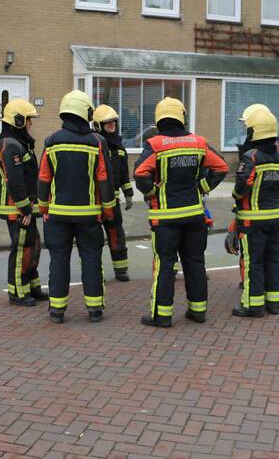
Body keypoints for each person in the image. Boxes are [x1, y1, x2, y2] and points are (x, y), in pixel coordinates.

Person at [133, 98, 229, 328]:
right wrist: (202, 187)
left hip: (166, 219)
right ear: (182, 116)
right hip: (195, 216)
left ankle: (161, 316)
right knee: (195, 262)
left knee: (165, 265)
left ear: (159, 119)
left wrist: (152, 192)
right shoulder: (198, 142)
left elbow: (139, 173)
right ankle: (198, 311)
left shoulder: (155, 144)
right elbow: (221, 167)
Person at [38, 90, 116, 324]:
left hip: (58, 216)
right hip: (89, 216)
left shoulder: (51, 141)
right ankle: (94, 310)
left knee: (58, 260)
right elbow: (104, 179)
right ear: (86, 113)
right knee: (91, 259)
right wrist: (108, 211)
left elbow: (43, 178)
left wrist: (43, 208)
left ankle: (57, 311)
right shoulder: (96, 143)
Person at [232, 108, 279, 317]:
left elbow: (241, 188)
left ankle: (253, 305)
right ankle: (274, 302)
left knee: (253, 262)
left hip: (252, 221)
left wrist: (239, 197)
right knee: (273, 259)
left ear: (253, 132)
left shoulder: (251, 157)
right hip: (274, 218)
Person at [0, 99, 46, 307]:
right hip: (17, 210)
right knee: (21, 249)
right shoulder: (11, 146)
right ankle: (17, 292)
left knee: (33, 246)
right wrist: (25, 209)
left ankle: (32, 287)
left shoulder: (17, 143)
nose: (30, 125)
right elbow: (15, 181)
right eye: (28, 121)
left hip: (25, 208)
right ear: (17, 121)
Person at [93, 104, 134, 282]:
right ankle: (96, 272)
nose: (112, 125)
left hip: (114, 201)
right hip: (94, 201)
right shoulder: (94, 146)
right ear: (98, 125)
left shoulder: (119, 148)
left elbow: (124, 174)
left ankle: (121, 270)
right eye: (107, 122)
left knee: (116, 234)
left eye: (113, 122)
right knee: (94, 239)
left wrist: (129, 193)